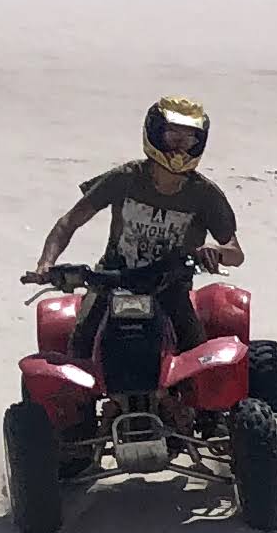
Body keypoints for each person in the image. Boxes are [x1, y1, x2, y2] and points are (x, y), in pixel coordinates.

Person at [32, 97, 242, 352]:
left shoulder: (205, 194)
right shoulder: (125, 178)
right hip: (112, 278)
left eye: (189, 141)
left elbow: (235, 253)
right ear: (154, 134)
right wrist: (46, 263)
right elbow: (69, 222)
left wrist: (215, 251)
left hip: (170, 283)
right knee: (81, 343)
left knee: (195, 351)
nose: (179, 149)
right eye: (173, 137)